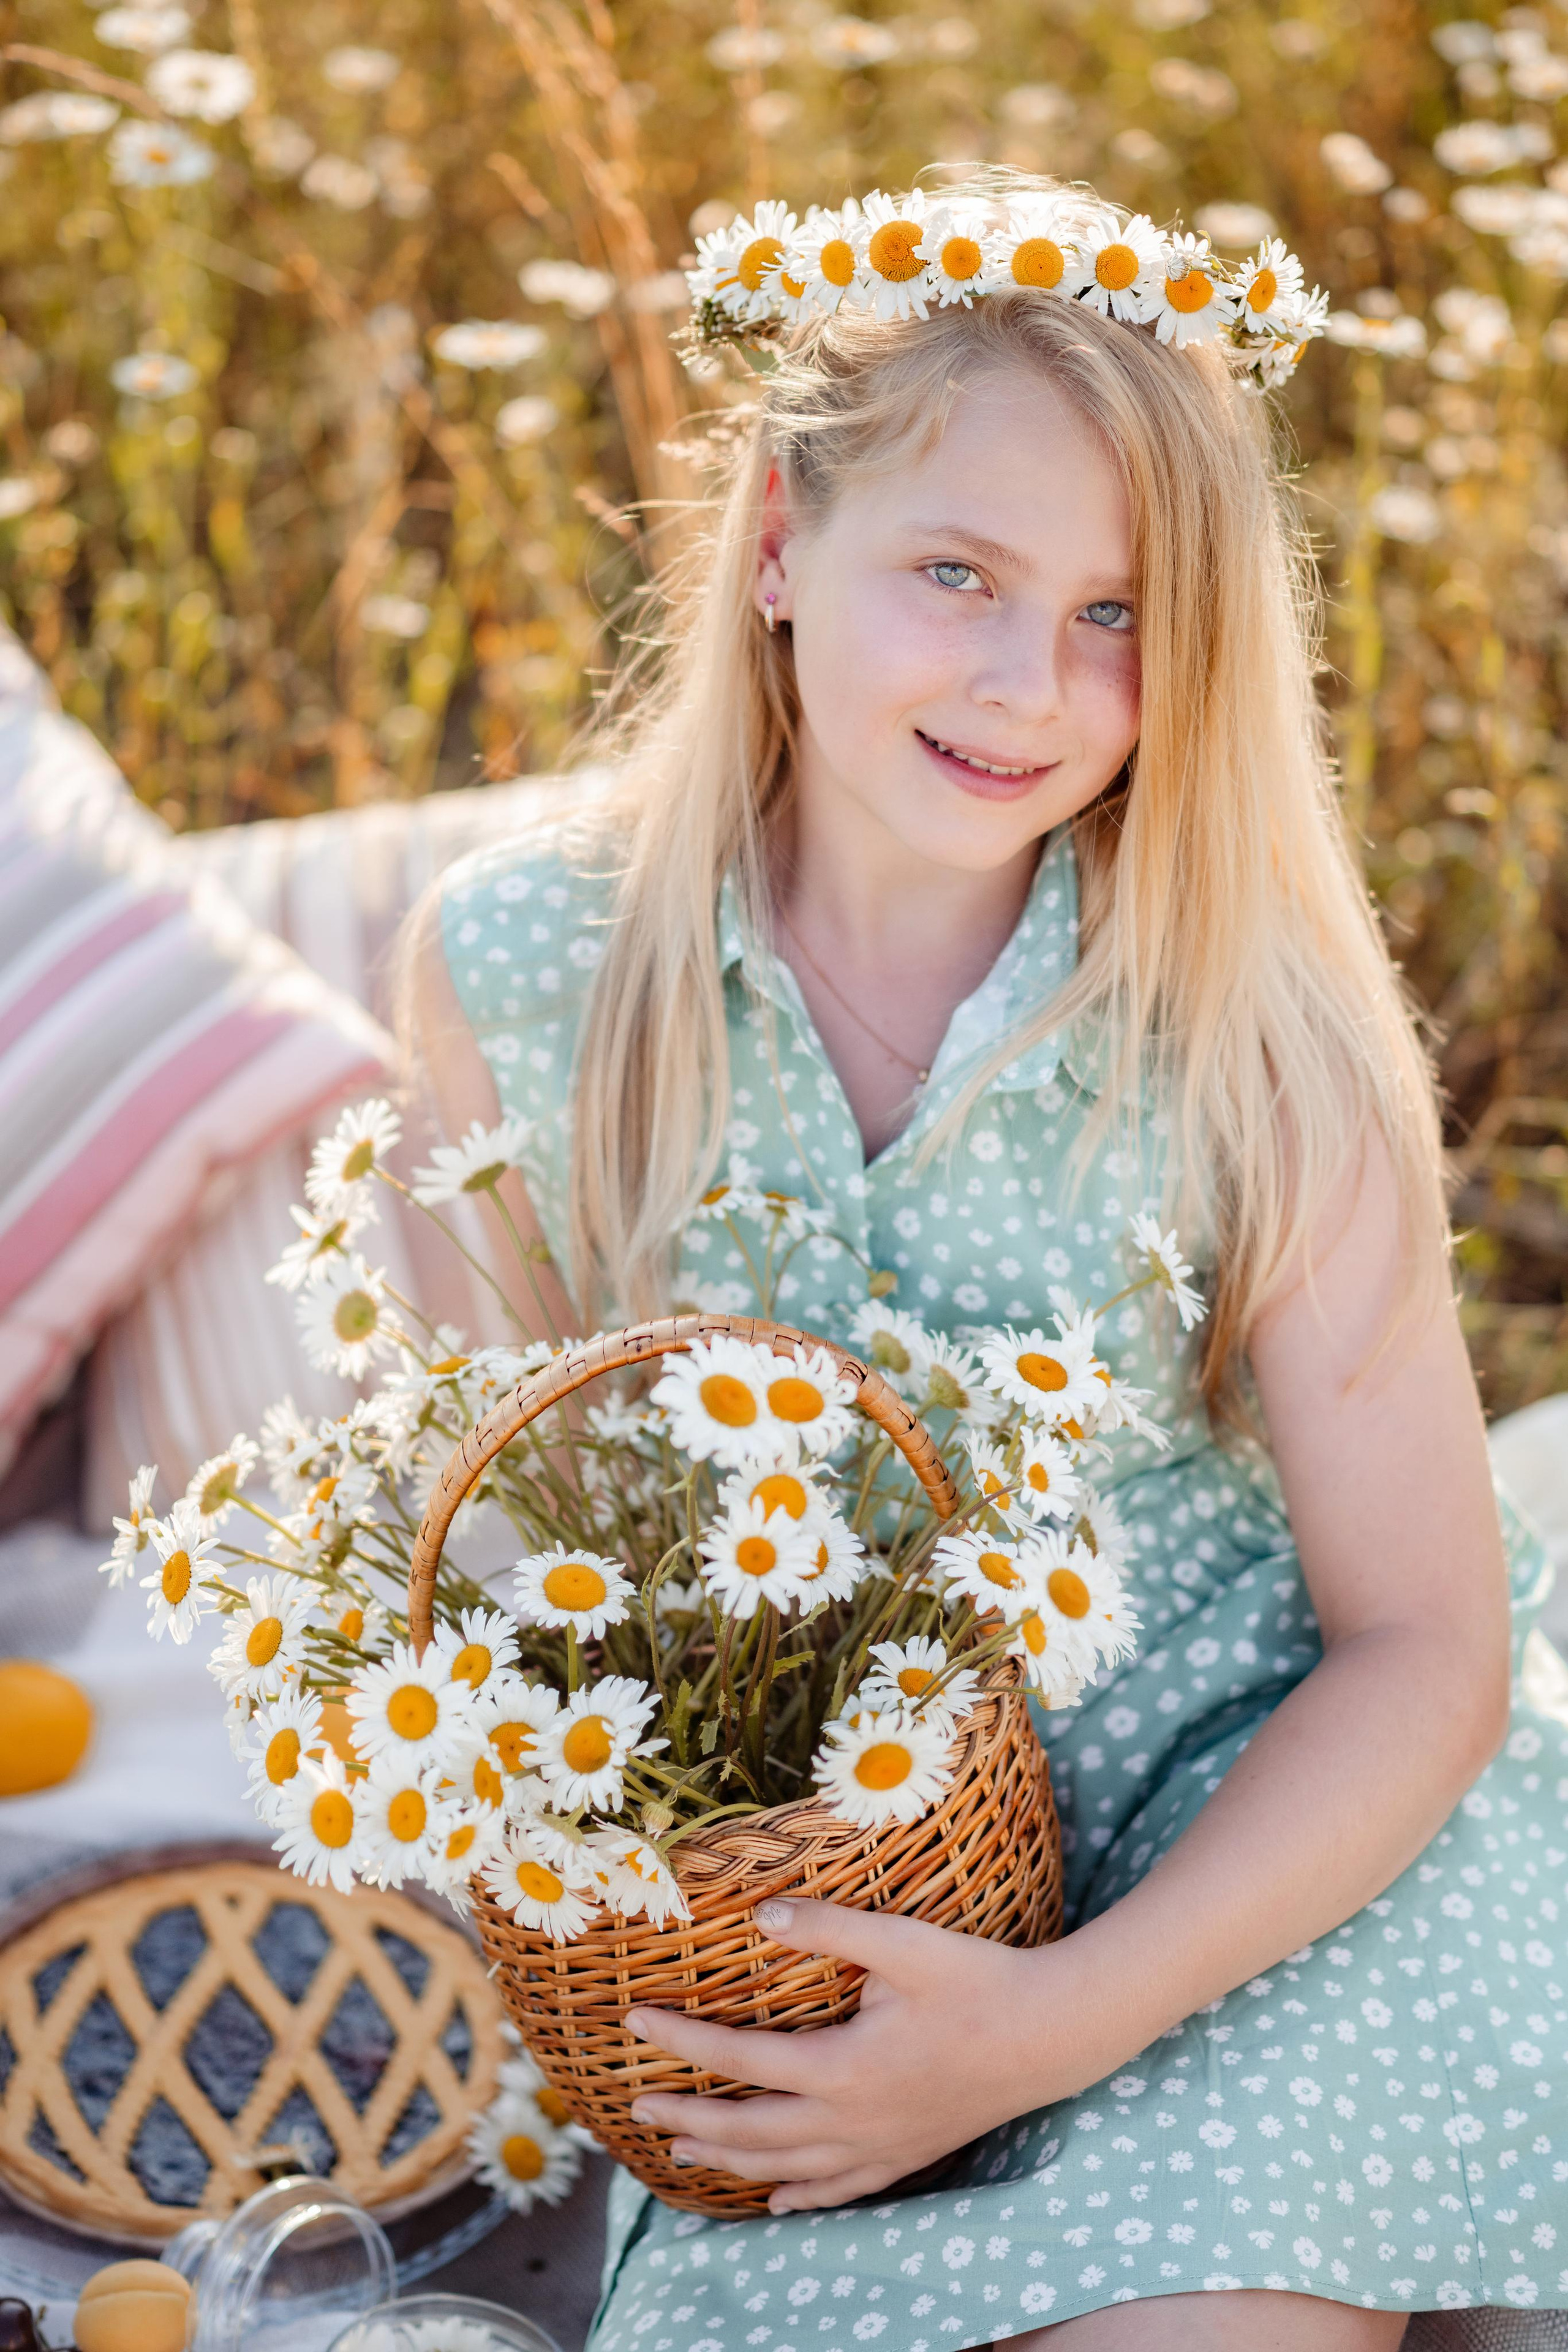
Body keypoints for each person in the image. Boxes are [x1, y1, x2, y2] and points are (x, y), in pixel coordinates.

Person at [407, 170, 1565, 2344]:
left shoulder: (1250, 1029)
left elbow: (1426, 1648)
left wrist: (1062, 2022)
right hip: (848, 1917)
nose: (1034, 684)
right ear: (774, 543)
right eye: (959, 573)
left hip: (1255, 1884)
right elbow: (499, 1525)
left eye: (1121, 616)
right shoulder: (531, 973)